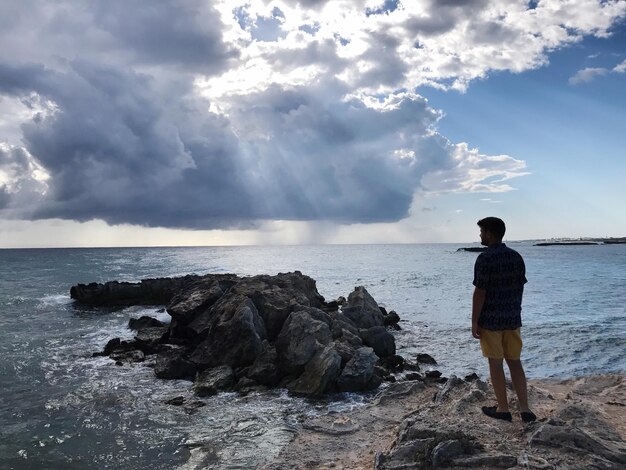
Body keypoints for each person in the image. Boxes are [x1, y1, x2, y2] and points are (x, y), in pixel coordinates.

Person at [471, 217, 536, 423]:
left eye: (482, 231)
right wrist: (515, 310)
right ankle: (525, 409)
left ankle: (503, 408)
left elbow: (480, 292)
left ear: (490, 233)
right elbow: (520, 287)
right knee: (515, 362)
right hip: (512, 318)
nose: (480, 235)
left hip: (491, 320)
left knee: (496, 363)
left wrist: (474, 321)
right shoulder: (516, 257)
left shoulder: (485, 258)